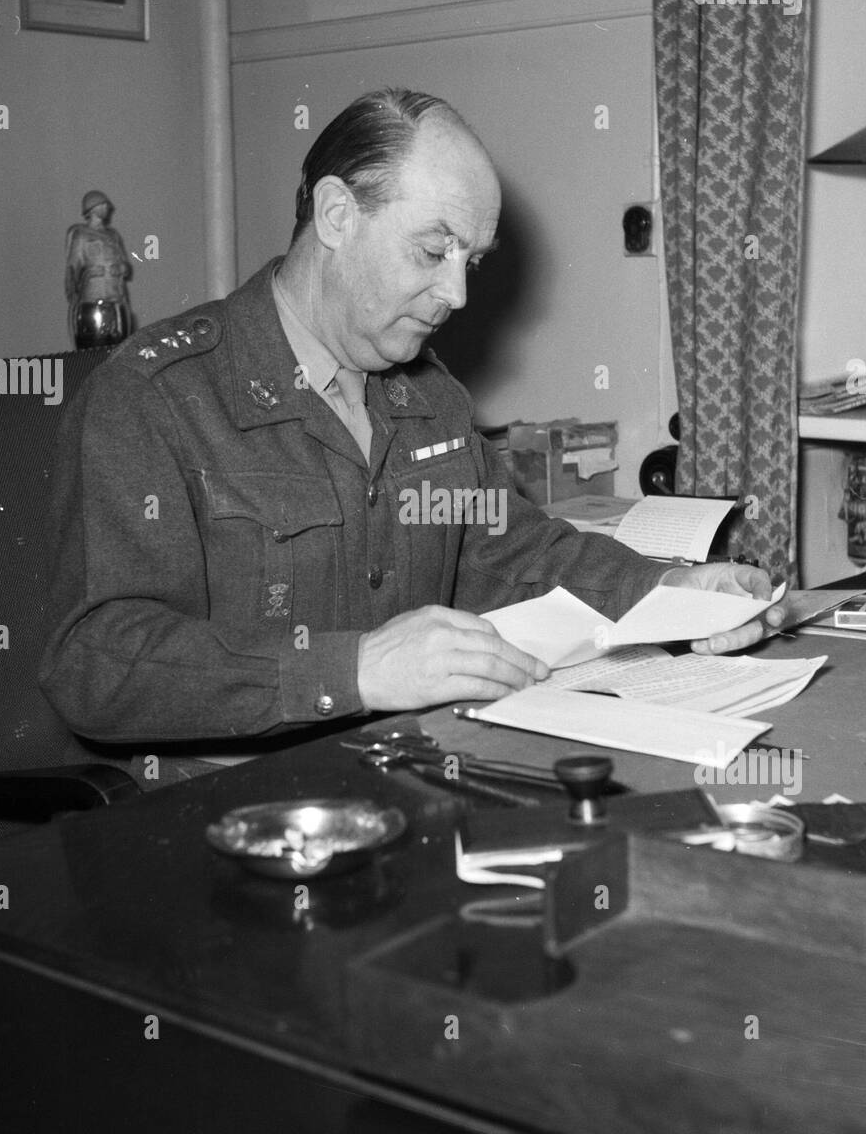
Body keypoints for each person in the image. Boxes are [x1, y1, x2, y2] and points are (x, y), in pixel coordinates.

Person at [40, 89, 786, 758]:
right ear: (336, 215)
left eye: (473, 261)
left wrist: (671, 591)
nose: (457, 293)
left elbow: (513, 551)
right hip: (230, 819)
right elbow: (96, 662)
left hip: (415, 774)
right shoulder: (155, 398)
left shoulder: (430, 399)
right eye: (433, 251)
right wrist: (357, 669)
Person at [65, 189, 132, 348]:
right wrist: (83, 279)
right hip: (91, 302)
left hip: (115, 301)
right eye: (103, 205)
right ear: (93, 208)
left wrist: (122, 269)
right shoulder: (81, 236)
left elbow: (125, 266)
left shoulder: (113, 236)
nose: (107, 208)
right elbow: (72, 269)